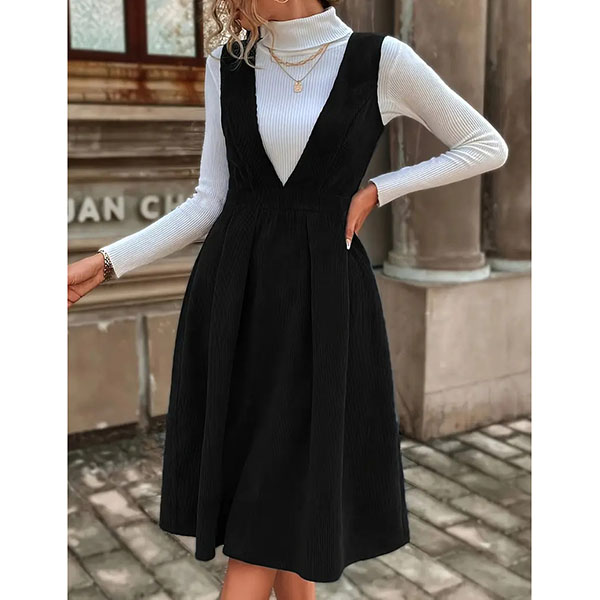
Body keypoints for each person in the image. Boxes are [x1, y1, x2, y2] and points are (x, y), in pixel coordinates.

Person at [68, 1, 508, 598]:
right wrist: (105, 263)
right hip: (235, 306)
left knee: (271, 513)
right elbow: (209, 200)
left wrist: (379, 189)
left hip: (323, 308)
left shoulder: (380, 61)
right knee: (283, 519)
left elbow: (484, 145)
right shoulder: (228, 64)